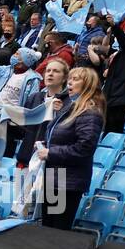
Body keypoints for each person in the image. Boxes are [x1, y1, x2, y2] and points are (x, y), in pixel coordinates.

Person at [34, 67, 104, 230]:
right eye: (70, 79)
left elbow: (84, 148)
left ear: (88, 85)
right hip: (55, 176)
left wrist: (51, 153)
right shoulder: (71, 108)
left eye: (76, 79)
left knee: (56, 231)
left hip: (68, 181)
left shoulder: (90, 113)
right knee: (47, 227)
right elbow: (62, 137)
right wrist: (45, 144)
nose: (70, 82)